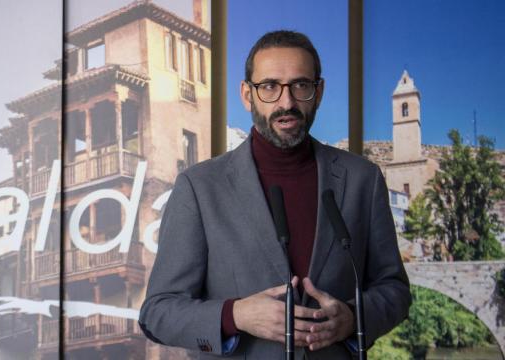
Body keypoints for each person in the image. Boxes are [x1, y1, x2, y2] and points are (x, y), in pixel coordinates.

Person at [139, 30, 410, 359]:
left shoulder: (363, 180)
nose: (287, 102)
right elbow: (157, 313)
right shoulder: (198, 187)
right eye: (269, 86)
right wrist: (235, 315)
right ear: (246, 94)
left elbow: (394, 290)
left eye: (301, 85)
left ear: (319, 92)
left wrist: (353, 318)